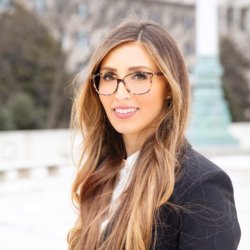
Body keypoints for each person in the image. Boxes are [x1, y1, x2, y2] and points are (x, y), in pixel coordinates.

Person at [67, 20, 241, 250]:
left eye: (139, 76)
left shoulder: (201, 186)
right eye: (108, 76)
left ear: (169, 87)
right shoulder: (103, 174)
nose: (120, 94)